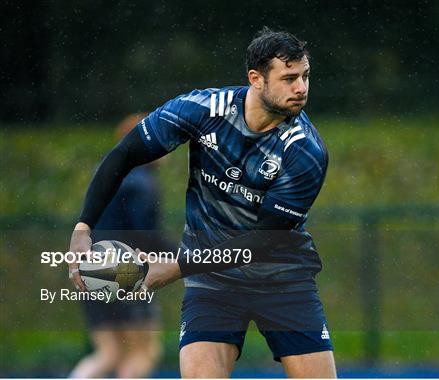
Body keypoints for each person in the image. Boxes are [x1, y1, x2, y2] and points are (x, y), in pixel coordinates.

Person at [69, 27, 337, 378]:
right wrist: (83, 226)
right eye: (289, 78)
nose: (301, 88)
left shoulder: (305, 151)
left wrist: (176, 267)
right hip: (213, 283)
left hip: (283, 279)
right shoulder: (203, 109)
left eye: (304, 77)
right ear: (256, 79)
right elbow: (123, 156)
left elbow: (264, 241)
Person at [70, 114, 163, 378]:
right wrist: (183, 257)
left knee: (108, 353)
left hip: (90, 266)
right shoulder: (142, 182)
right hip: (125, 270)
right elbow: (145, 233)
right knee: (143, 352)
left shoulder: (104, 175)